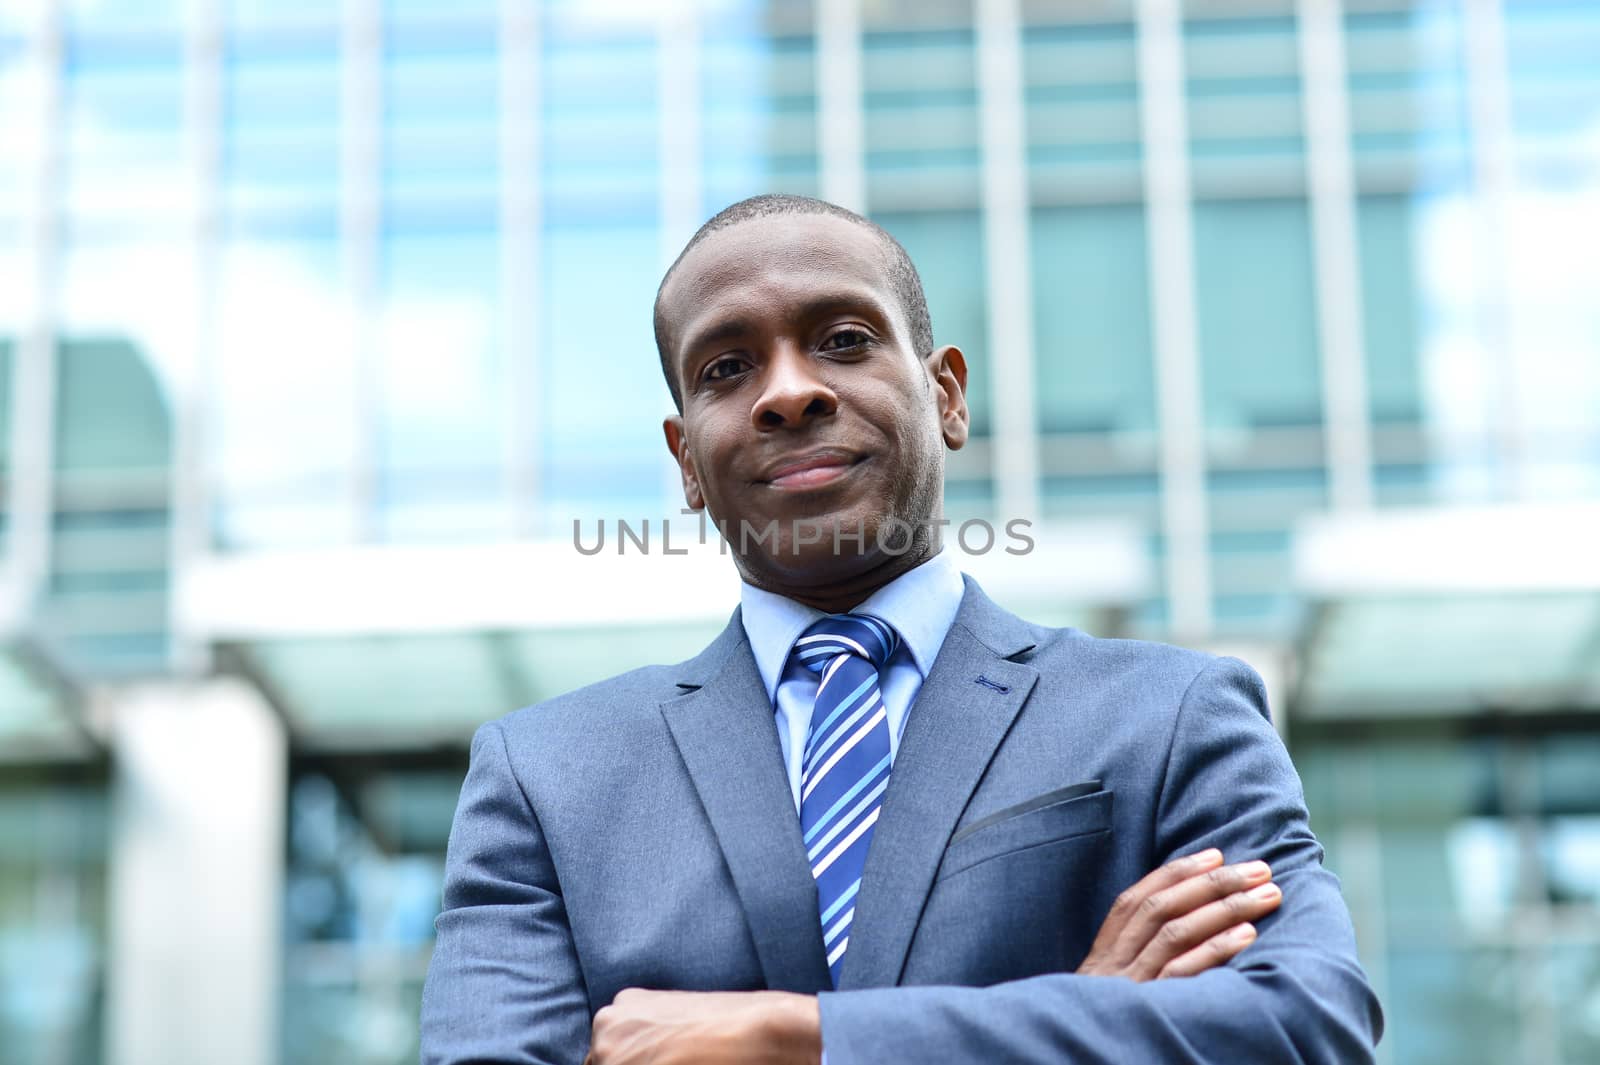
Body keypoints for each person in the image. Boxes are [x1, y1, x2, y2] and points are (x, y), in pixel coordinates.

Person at [419, 194, 1383, 1064]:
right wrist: (1083, 1019)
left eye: (841, 340)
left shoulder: (1173, 716)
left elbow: (1307, 1025)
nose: (788, 392)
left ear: (948, 396)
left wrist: (803, 1038)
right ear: (684, 459)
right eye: (725, 367)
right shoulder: (545, 779)